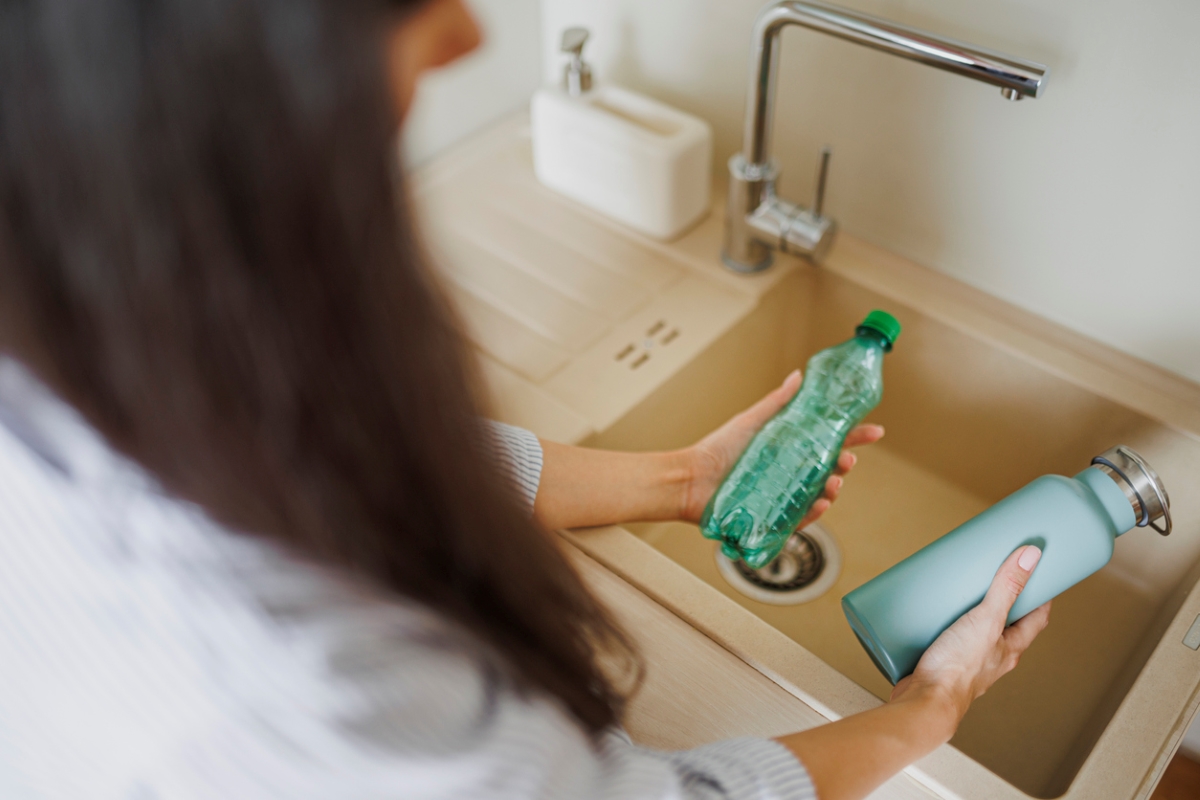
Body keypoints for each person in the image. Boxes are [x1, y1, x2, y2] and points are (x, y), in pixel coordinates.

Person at [0, 1, 1051, 798]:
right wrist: (931, 706)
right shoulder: (320, 698)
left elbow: (341, 457)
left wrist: (683, 477)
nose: (467, 32)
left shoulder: (92, 342)